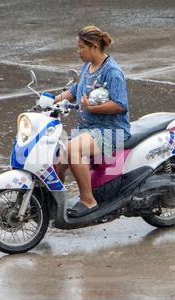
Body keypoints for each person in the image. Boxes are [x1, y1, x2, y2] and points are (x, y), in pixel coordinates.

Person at [54, 25, 131, 218]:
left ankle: (88, 200)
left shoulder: (112, 71)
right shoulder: (88, 66)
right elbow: (75, 90)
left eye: (81, 47)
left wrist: (92, 108)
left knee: (72, 150)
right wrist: (53, 99)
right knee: (56, 158)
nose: (78, 51)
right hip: (88, 129)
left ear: (94, 46)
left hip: (111, 130)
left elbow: (121, 104)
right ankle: (53, 201)